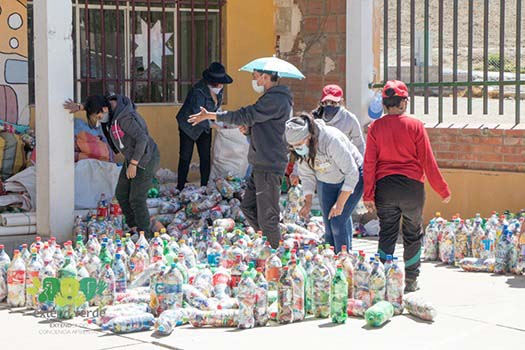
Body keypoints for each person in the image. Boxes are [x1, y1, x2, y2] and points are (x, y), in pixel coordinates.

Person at [188, 69, 293, 248]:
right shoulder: (271, 98)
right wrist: (250, 130)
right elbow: (268, 126)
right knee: (247, 207)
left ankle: (275, 253)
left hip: (269, 164)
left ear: (265, 77)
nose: (253, 78)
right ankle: (270, 243)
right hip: (261, 162)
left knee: (268, 215)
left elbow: (246, 114)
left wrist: (212, 115)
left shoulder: (275, 99)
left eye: (255, 75)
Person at [363, 80, 451, 292]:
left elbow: (369, 163)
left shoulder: (375, 128)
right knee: (412, 234)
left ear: (384, 104)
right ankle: (411, 281)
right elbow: (427, 161)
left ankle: (382, 278)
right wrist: (442, 189)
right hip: (412, 188)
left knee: (387, 233)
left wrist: (368, 194)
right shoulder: (416, 126)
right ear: (403, 103)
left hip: (385, 187)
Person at [64, 94, 160, 238]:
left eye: (98, 117)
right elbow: (98, 104)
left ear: (105, 109)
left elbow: (142, 139)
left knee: (136, 198)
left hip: (145, 157)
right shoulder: (108, 107)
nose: (99, 120)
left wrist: (134, 164)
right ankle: (135, 227)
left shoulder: (124, 119)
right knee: (121, 193)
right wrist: (80, 107)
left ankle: (145, 235)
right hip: (132, 156)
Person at [285, 113, 363, 253]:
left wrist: (339, 204)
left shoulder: (330, 140)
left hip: (352, 176)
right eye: (293, 146)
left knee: (338, 221)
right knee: (329, 224)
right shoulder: (302, 151)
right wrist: (308, 202)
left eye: (299, 144)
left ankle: (343, 261)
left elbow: (352, 173)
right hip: (326, 179)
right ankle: (331, 259)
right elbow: (307, 176)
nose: (297, 148)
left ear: (309, 137)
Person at [176, 62, 233, 191]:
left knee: (205, 156)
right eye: (218, 83)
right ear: (212, 82)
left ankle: (204, 187)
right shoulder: (198, 91)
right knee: (186, 156)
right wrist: (215, 125)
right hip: (188, 125)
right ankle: (180, 186)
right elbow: (198, 115)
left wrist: (218, 120)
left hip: (205, 127)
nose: (221, 86)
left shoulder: (219, 89)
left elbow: (216, 108)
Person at [312, 84, 365, 155]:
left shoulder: (350, 119)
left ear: (341, 101)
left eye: (333, 103)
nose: (329, 106)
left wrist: (361, 164)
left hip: (343, 159)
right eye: (325, 103)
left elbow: (360, 145)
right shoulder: (315, 118)